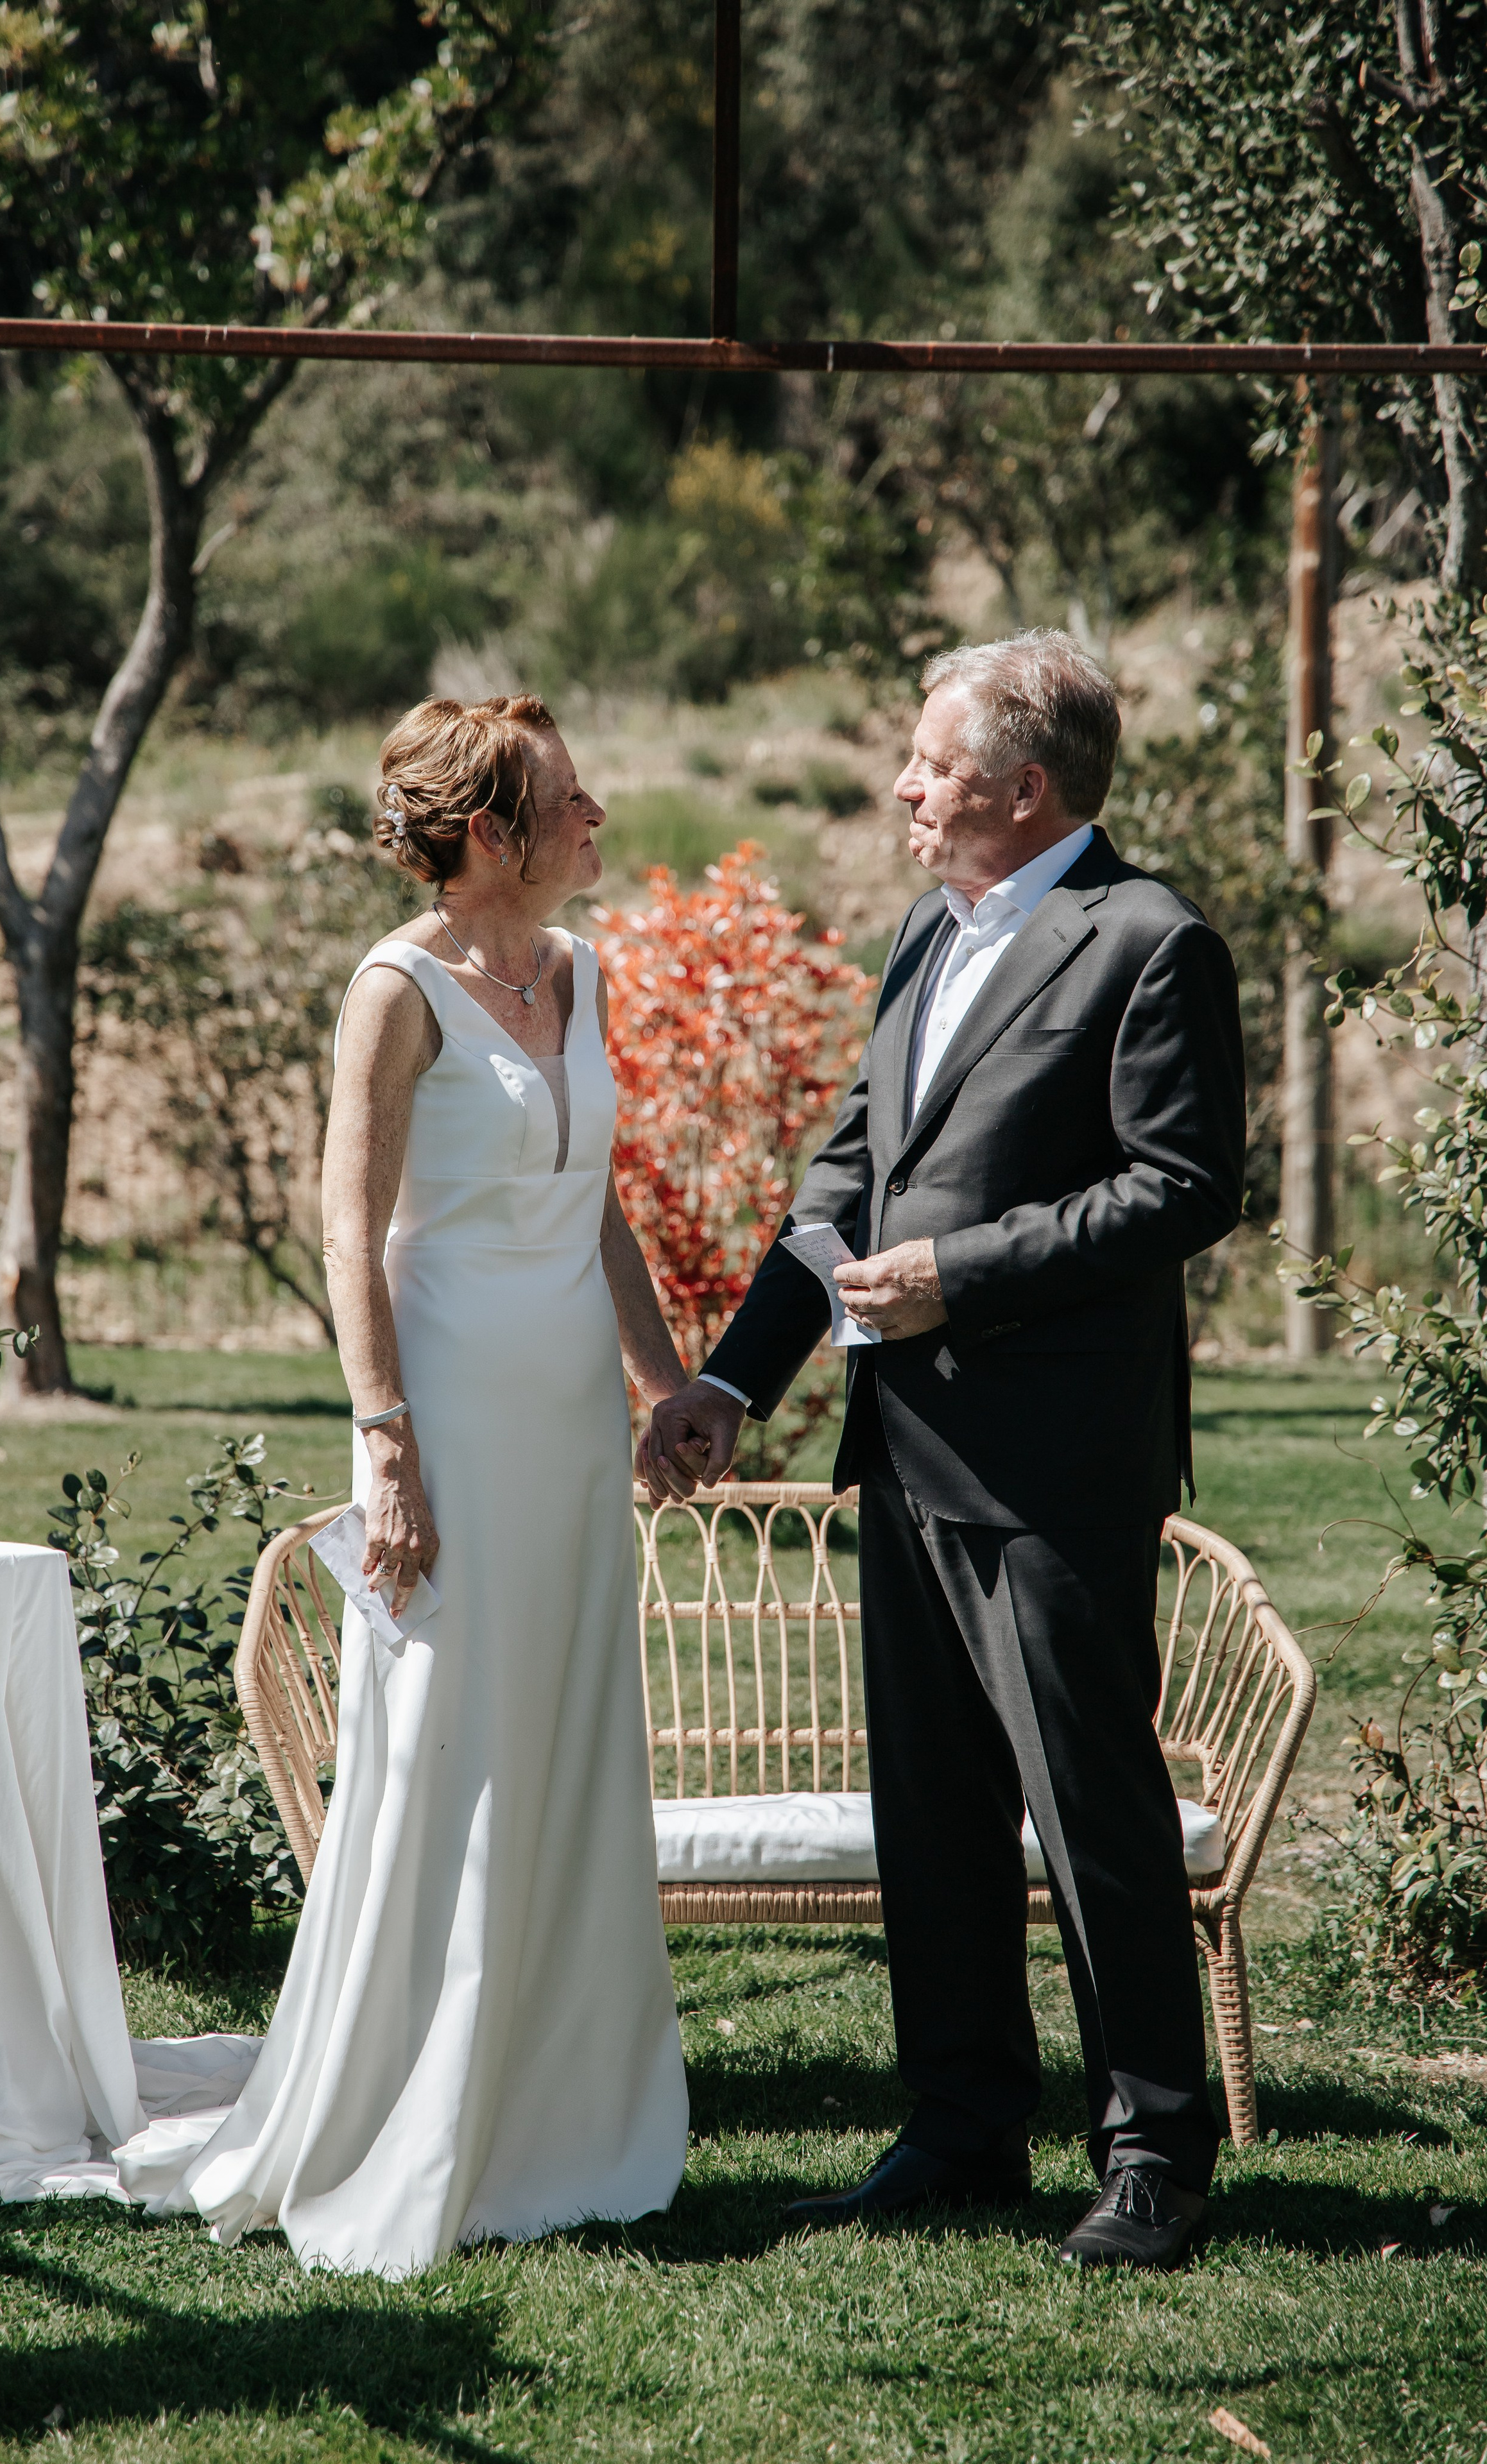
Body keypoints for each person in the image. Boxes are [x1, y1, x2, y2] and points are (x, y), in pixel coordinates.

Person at [643, 631, 1246, 2270]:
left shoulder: (1148, 941)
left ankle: (1154, 2155)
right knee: (934, 1813)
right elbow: (839, 1182)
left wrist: (955, 1275)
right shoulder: (925, 929)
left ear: (1021, 784)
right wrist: (734, 1380)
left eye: (927, 760)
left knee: (1091, 1813)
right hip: (900, 1453)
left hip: (1055, 1463)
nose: (903, 783)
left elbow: (1186, 1186)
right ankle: (963, 2124)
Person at [127, 693, 690, 2277]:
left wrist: (666, 1387)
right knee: (444, 1746)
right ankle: (406, 2112)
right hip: (442, 1412)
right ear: (495, 836)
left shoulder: (579, 972)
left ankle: (568, 2116)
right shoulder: (396, 987)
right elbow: (347, 1223)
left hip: (571, 1420)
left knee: (570, 1737)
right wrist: (385, 1444)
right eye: (571, 805)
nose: (596, 826)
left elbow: (592, 1209)